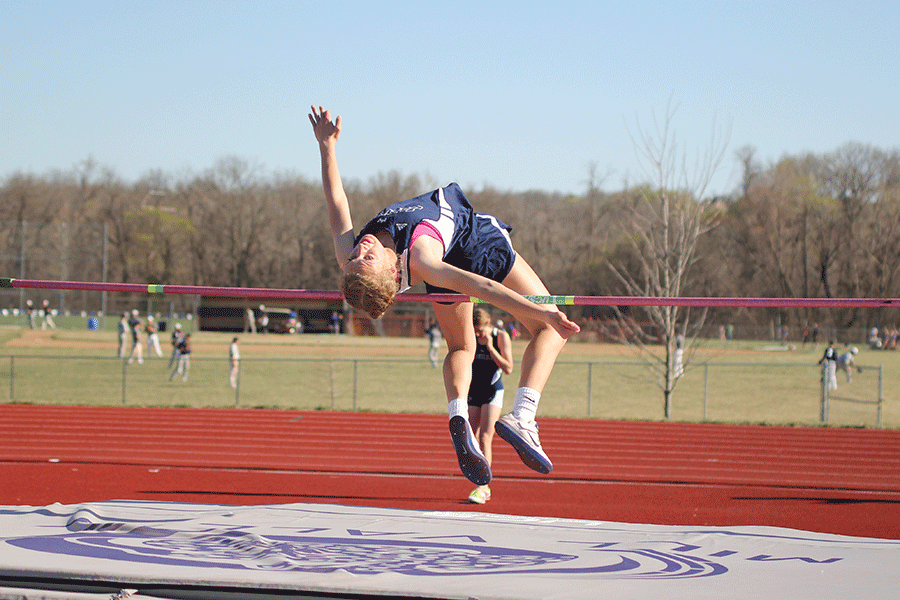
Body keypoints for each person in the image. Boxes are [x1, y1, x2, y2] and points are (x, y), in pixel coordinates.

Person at [310, 105, 580, 486]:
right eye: (366, 257)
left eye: (356, 255)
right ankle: (523, 415)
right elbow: (484, 288)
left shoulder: (353, 260)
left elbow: (336, 201)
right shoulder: (421, 256)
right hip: (476, 242)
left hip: (447, 256)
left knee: (460, 349)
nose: (360, 249)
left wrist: (327, 147)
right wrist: (542, 312)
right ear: (389, 270)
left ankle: (457, 414)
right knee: (551, 330)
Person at [467, 308, 513, 504]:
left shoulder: (500, 336)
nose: (477, 335)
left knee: (486, 437)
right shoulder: (469, 336)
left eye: (480, 331)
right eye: (474, 331)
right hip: (473, 390)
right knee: (469, 437)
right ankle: (478, 473)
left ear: (488, 325)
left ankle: (483, 486)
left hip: (493, 390)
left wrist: (490, 347)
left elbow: (508, 368)